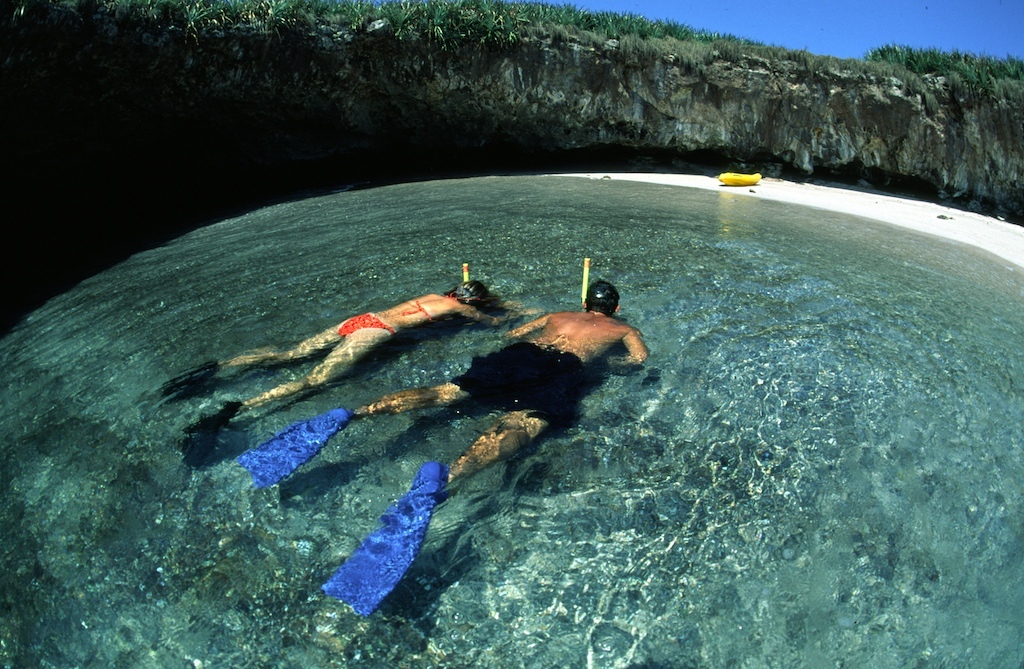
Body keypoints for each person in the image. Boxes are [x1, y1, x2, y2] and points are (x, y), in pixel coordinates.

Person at [177, 281, 504, 465]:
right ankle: (240, 408)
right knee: (313, 381)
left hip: (363, 319)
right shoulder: (462, 307)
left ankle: (218, 368)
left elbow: (446, 303)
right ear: (470, 299)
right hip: (377, 332)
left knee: (290, 354)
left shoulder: (435, 295)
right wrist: (500, 312)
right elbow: (493, 321)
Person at [354, 280, 648, 482]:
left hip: (522, 354)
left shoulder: (557, 314)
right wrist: (607, 363)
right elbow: (638, 360)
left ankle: (357, 413)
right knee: (525, 419)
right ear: (617, 309)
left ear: (584, 303)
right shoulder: (624, 329)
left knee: (447, 392)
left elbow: (513, 334)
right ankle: (451, 476)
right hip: (564, 366)